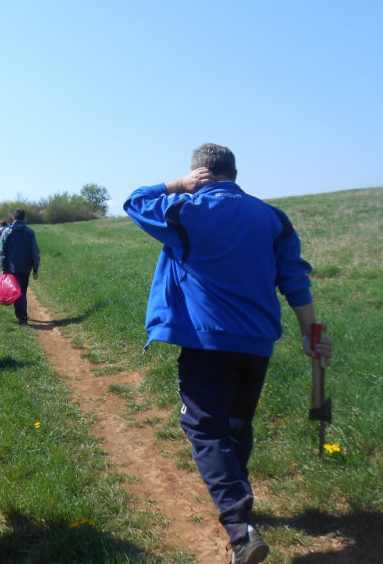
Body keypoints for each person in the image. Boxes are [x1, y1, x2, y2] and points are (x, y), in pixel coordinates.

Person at [123, 144, 333, 564]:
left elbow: (135, 201)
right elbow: (294, 278)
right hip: (257, 343)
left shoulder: (187, 210)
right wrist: (310, 333)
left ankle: (240, 529)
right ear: (234, 174)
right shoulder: (272, 218)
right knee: (236, 425)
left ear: (199, 173)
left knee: (203, 427)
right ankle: (241, 501)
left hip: (208, 343)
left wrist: (178, 184)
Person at [0, 208, 40, 325]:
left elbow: (3, 251)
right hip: (26, 266)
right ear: (25, 219)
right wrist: (35, 268)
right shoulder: (30, 232)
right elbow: (35, 252)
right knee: (22, 290)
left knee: (17, 291)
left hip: (12, 267)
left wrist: (4, 268)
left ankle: (22, 316)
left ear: (13, 219)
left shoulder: (7, 232)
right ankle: (22, 314)